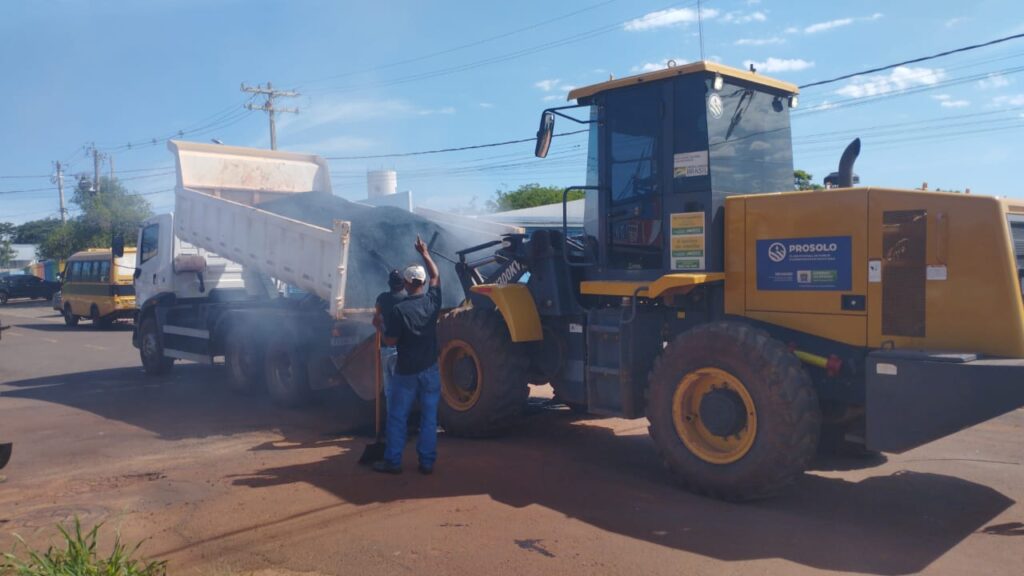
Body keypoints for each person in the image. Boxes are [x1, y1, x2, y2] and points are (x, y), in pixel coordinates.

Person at [374, 235, 441, 475]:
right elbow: (436, 275)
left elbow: (390, 340)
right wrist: (425, 253)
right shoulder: (433, 302)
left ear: (406, 283)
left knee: (397, 417)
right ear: (421, 282)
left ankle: (393, 462)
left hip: (406, 372)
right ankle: (426, 462)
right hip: (430, 369)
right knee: (429, 418)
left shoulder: (400, 311)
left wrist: (380, 325)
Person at [373, 269, 406, 393]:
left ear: (389, 283)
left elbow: (376, 317)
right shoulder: (407, 300)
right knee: (404, 388)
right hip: (403, 349)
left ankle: (392, 411)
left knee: (390, 388)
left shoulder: (381, 298)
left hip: (386, 349)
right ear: (403, 284)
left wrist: (380, 327)